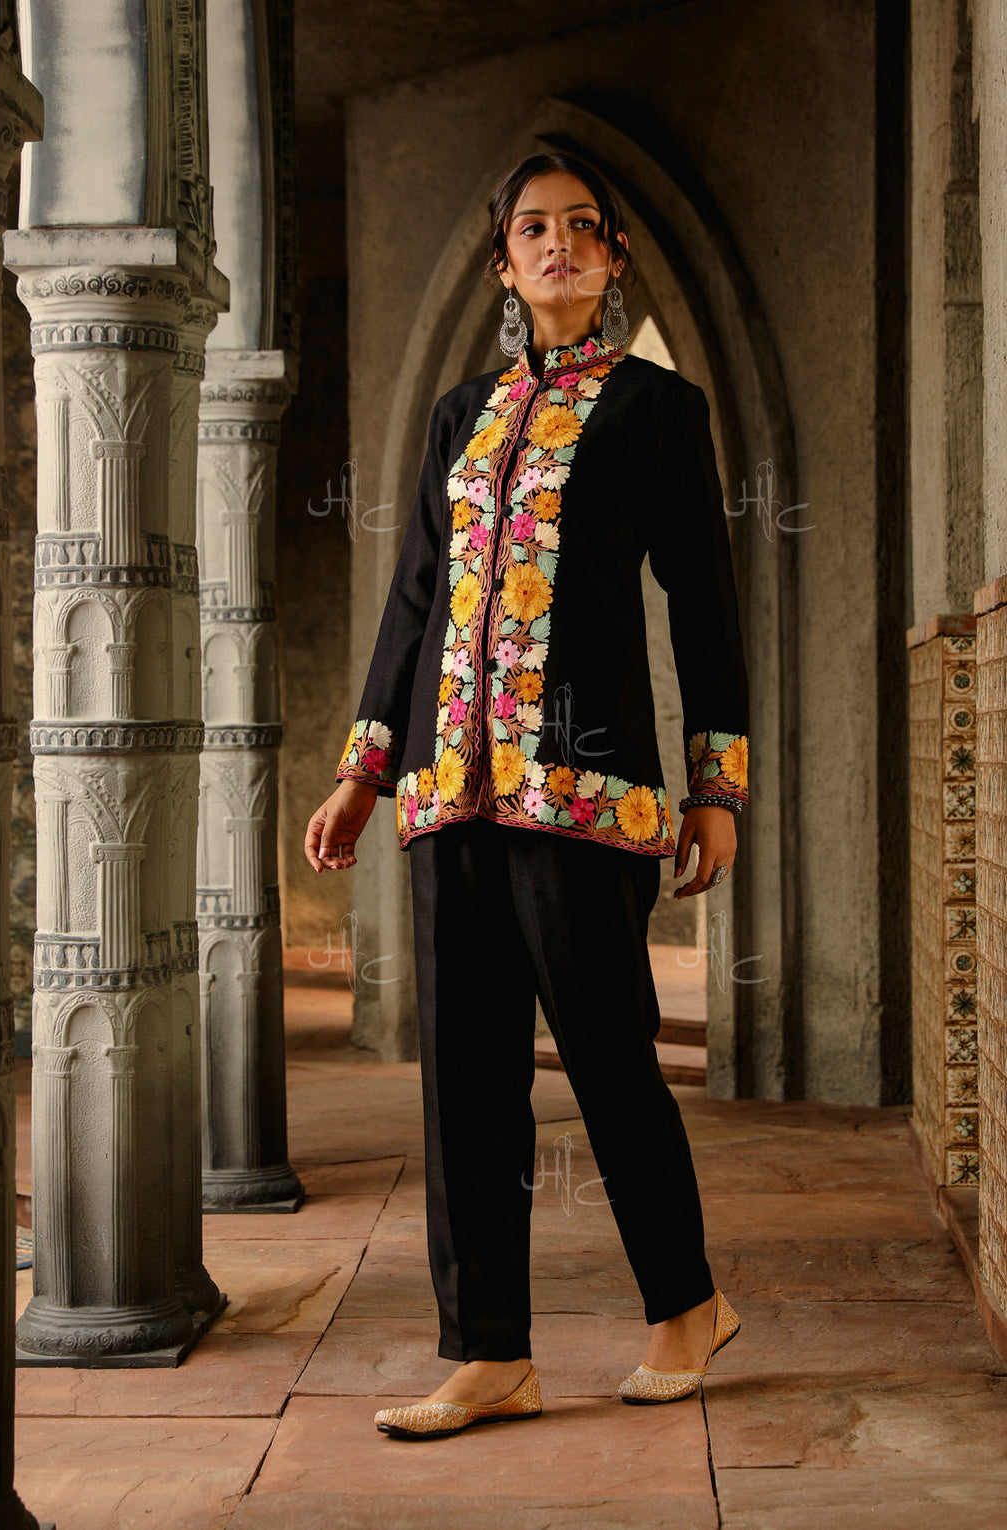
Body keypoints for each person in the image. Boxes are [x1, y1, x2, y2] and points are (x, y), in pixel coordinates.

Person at [304, 152, 748, 1440]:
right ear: (505, 263)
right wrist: (363, 768)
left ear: (613, 256)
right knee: (466, 1077)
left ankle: (687, 1306)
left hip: (585, 789)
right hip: (449, 786)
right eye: (534, 230)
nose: (559, 246)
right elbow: (413, 597)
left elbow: (704, 603)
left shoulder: (660, 411)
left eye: (582, 228)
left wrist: (717, 786)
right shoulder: (462, 416)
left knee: (608, 1055)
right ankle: (489, 1352)